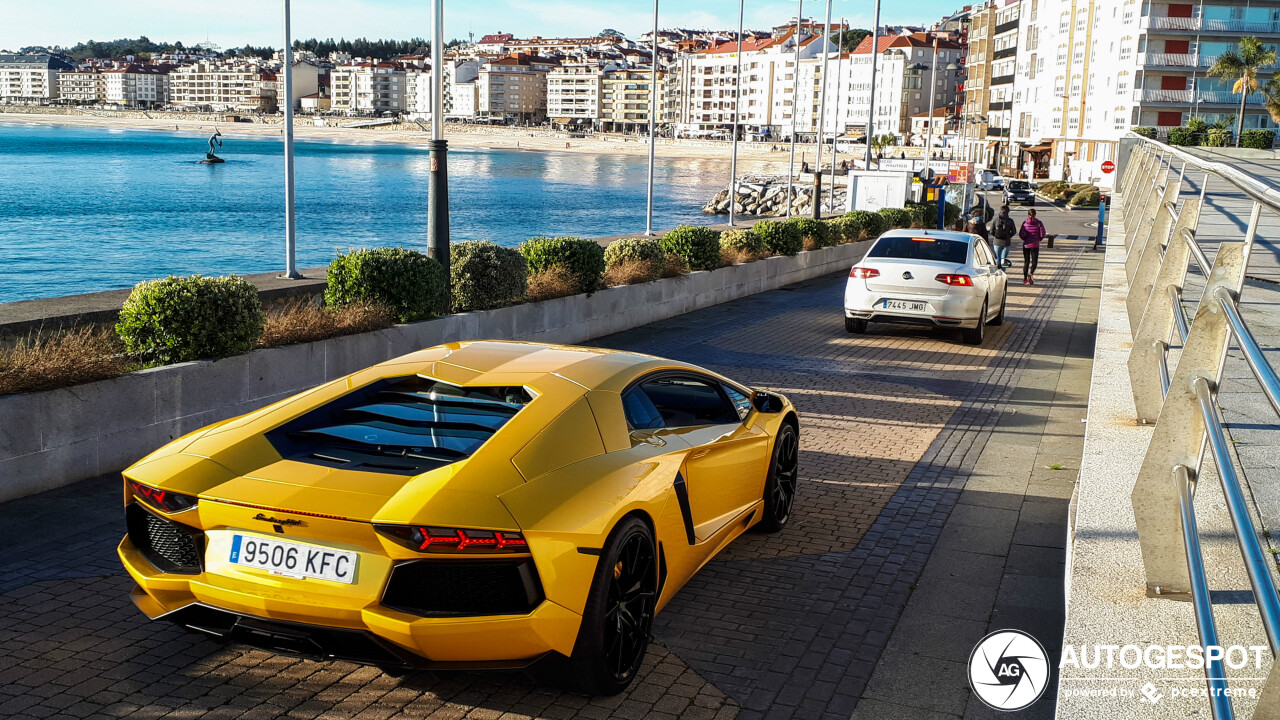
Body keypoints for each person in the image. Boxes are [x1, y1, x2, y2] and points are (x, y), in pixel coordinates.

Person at [1019, 208, 1047, 285]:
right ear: (1035, 214)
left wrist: (1026, 239)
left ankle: (1025, 279)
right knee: (1034, 262)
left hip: (1026, 244)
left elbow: (1021, 234)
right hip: (1035, 245)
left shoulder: (1025, 223)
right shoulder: (1039, 223)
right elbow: (1043, 234)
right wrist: (1039, 239)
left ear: (1028, 214)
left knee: (1026, 261)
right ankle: (1031, 273)